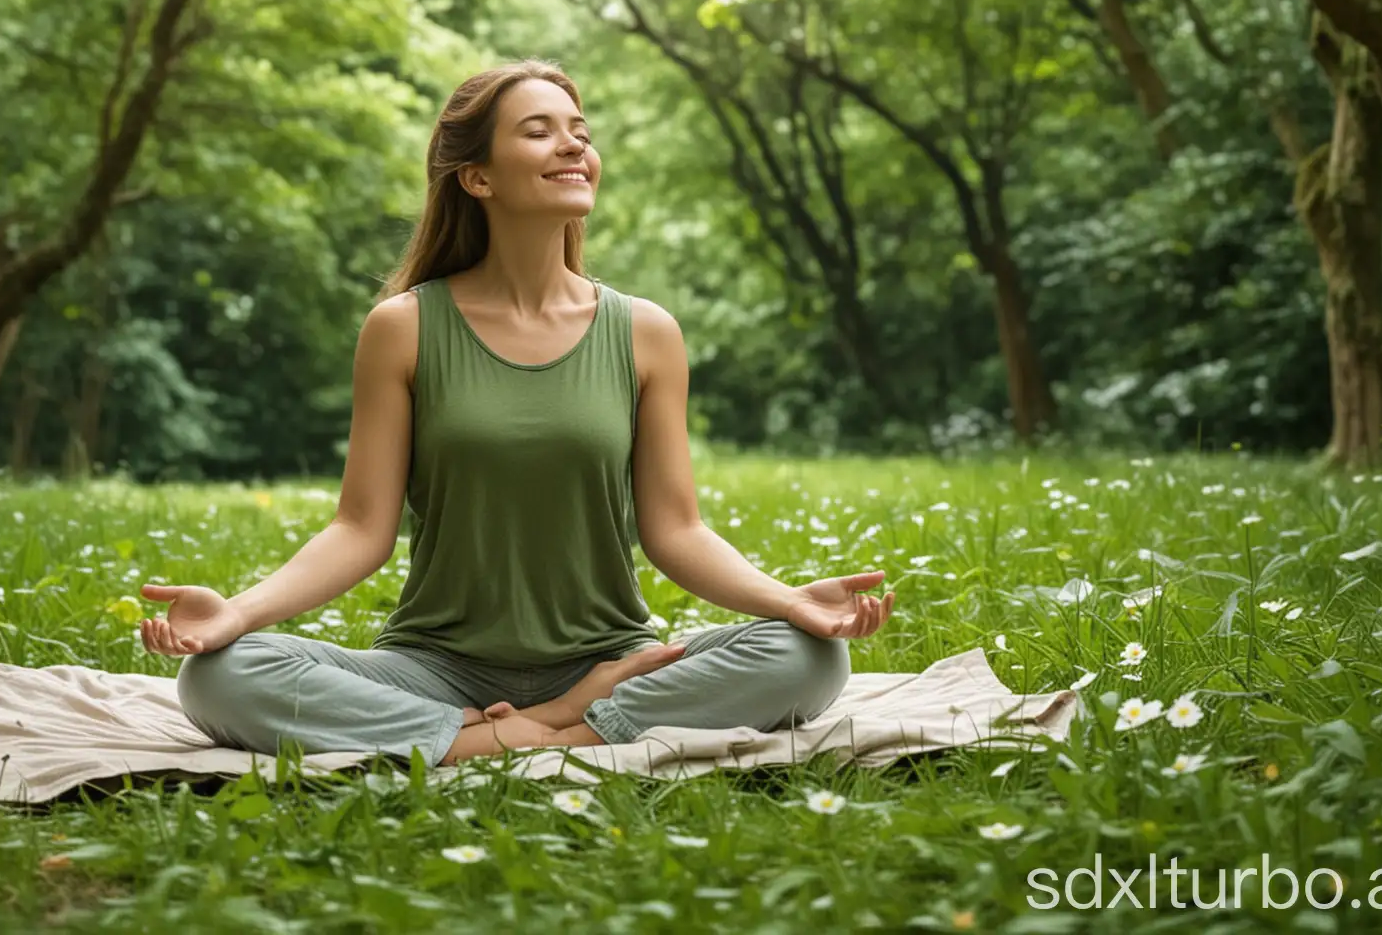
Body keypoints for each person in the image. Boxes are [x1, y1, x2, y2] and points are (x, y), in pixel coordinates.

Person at [139, 60, 894, 768]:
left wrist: (788, 601)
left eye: (580, 131)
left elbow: (677, 531)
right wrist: (236, 616)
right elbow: (358, 530)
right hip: (434, 668)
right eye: (538, 130)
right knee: (219, 679)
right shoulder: (403, 327)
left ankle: (541, 728)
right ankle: (540, 734)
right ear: (477, 177)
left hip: (613, 663)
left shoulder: (646, 333)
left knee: (810, 655)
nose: (572, 143)